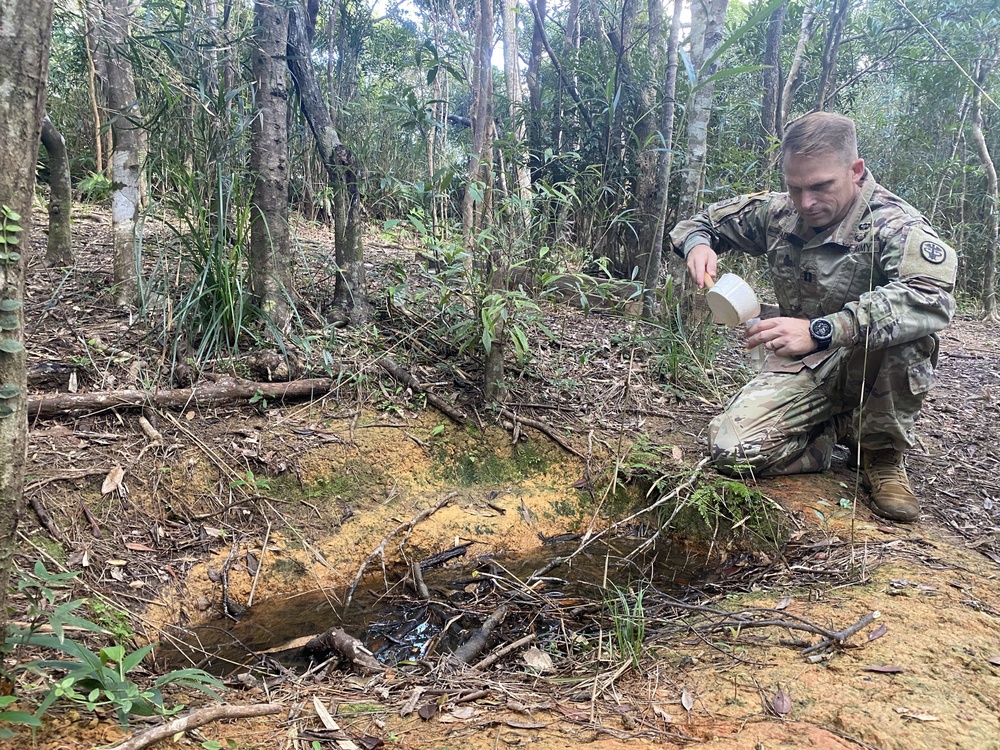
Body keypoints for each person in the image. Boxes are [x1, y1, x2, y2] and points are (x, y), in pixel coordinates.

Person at [669, 112, 957, 523]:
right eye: (795, 187)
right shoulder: (779, 213)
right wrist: (699, 244)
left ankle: (880, 454)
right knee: (733, 452)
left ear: (855, 171)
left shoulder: (894, 225)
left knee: (910, 334)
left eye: (821, 186)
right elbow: (701, 222)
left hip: (863, 362)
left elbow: (929, 298)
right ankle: (830, 431)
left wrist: (823, 330)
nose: (806, 202)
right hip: (802, 366)